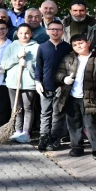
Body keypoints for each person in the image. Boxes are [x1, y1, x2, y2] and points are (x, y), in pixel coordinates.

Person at [57, 34, 96, 158]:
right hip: (71, 97)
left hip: (90, 98)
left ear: (88, 43)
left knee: (92, 125)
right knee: (74, 124)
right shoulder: (68, 58)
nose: (78, 46)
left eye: (80, 43)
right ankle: (76, 147)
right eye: (75, 44)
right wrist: (64, 78)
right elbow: (59, 73)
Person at [34, 20, 71, 151]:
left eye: (58, 29)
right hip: (45, 85)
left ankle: (55, 138)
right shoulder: (42, 47)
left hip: (62, 86)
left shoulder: (67, 47)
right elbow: (38, 66)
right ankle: (43, 137)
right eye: (52, 29)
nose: (55, 32)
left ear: (62, 31)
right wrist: (37, 81)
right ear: (47, 31)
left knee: (58, 113)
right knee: (45, 113)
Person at [1, 24, 39, 143]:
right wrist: (17, 57)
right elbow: (4, 65)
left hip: (29, 83)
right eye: (21, 33)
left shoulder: (37, 47)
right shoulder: (11, 46)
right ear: (17, 34)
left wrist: (27, 64)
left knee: (28, 107)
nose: (24, 35)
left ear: (31, 34)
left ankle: (26, 132)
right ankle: (17, 130)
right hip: (13, 83)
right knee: (16, 107)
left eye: (27, 33)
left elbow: (39, 67)